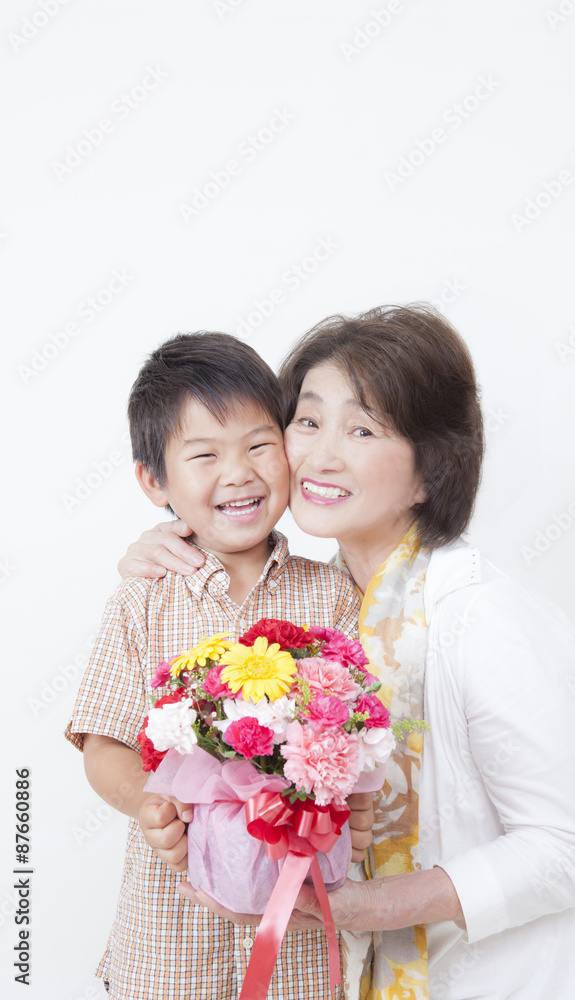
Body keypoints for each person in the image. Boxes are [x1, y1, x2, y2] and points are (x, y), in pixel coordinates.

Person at [121, 306, 575, 1000]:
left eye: (361, 429)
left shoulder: (485, 617)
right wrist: (172, 547)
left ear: (429, 473)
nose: (319, 455)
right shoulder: (325, 610)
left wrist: (345, 907)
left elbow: (564, 852)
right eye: (306, 421)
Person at [65, 331, 374, 1000]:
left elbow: (361, 735)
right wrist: (149, 803)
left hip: (296, 937)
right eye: (205, 454)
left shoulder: (335, 596)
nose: (238, 473)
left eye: (259, 446)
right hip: (168, 945)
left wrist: (356, 801)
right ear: (154, 480)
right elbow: (101, 740)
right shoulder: (143, 598)